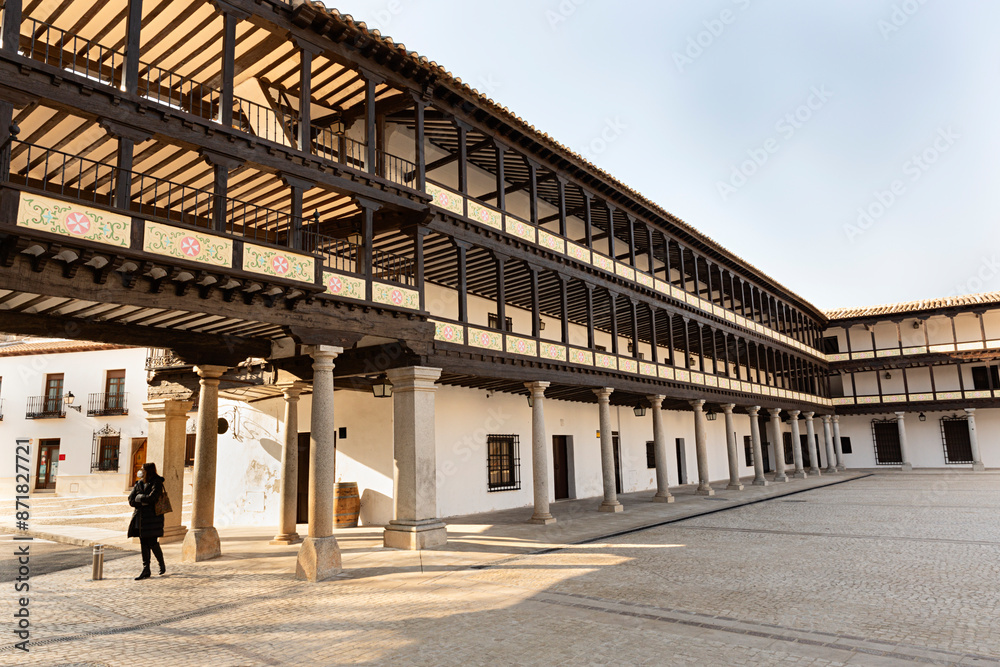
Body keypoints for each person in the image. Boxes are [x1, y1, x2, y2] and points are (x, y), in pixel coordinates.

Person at [128, 462, 166, 580]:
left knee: (153, 542)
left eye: (142, 469)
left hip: (153, 518)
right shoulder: (139, 483)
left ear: (148, 471)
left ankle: (161, 563)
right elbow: (131, 500)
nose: (140, 470)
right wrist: (142, 500)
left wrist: (139, 497)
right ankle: (146, 569)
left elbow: (152, 498)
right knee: (143, 543)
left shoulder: (157, 482)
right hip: (140, 517)